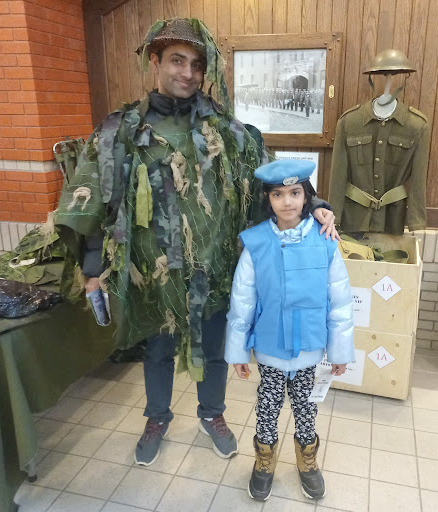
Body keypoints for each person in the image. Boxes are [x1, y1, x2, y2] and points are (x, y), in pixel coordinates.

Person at [54, 18, 338, 468]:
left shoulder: (229, 133)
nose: (187, 73)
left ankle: (212, 414)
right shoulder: (121, 131)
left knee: (217, 349)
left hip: (215, 266)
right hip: (152, 271)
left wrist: (316, 204)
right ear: (155, 61)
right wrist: (92, 269)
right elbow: (94, 200)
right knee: (157, 350)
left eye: (197, 65)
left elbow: (272, 178)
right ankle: (157, 418)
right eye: (176, 61)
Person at [225, 159, 354, 501]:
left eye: (295, 193)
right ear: (268, 199)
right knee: (267, 409)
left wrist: (340, 351)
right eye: (278, 194)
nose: (287, 202)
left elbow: (340, 301)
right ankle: (264, 461)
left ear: (306, 196)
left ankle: (307, 461)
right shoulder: (256, 243)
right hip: (270, 348)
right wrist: (238, 351)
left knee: (306, 409)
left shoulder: (325, 240)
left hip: (310, 348)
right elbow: (242, 301)